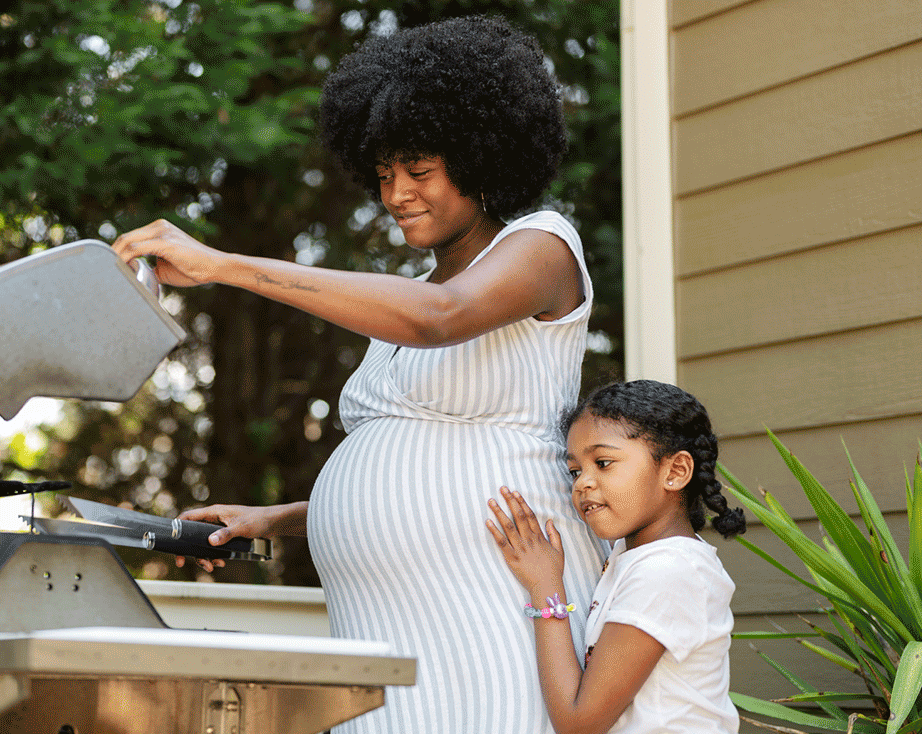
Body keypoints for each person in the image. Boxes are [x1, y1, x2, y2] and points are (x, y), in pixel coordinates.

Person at [113, 15, 609, 733]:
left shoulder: (541, 244)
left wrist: (224, 265)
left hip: (495, 604)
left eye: (419, 172)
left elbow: (443, 316)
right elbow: (407, 472)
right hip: (384, 627)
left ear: (482, 157)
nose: (396, 194)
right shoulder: (408, 289)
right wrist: (276, 520)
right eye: (383, 175)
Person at [486, 380, 747, 734]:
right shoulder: (634, 555)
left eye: (603, 462)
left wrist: (545, 587)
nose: (582, 483)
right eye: (576, 471)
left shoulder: (668, 571)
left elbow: (579, 723)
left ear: (675, 472)